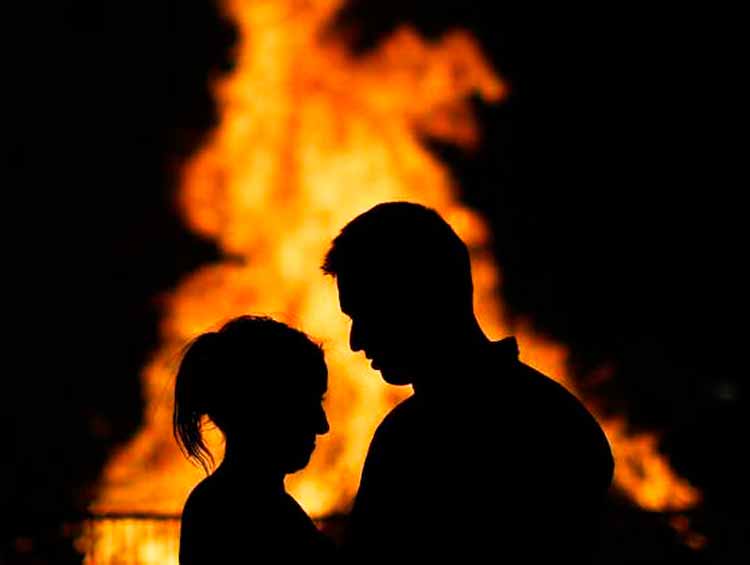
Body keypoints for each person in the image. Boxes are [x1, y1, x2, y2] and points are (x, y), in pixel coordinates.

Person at [322, 201, 614, 562]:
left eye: (366, 314)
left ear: (420, 299)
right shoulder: (562, 420)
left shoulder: (409, 441)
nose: (356, 340)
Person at [173, 315, 334, 564]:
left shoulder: (213, 506)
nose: (322, 425)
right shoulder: (254, 514)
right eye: (305, 403)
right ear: (260, 407)